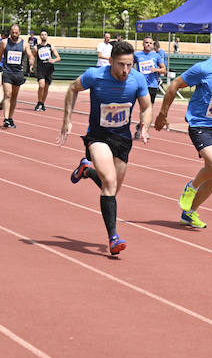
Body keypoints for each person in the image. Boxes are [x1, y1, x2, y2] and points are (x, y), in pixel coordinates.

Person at [58, 40, 151, 255]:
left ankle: (86, 170)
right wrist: (67, 119)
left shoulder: (138, 80)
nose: (126, 70)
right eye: (121, 64)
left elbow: (146, 107)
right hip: (98, 137)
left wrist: (144, 125)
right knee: (108, 182)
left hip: (122, 139)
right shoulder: (95, 75)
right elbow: (73, 88)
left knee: (112, 190)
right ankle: (113, 237)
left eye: (130, 64)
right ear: (110, 61)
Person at [154, 29, 212, 229]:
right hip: (200, 125)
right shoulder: (203, 69)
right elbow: (173, 87)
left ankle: (189, 213)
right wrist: (163, 114)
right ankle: (192, 187)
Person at [0, 24, 34, 129]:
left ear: (20, 32)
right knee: (8, 94)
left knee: (14, 97)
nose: (14, 34)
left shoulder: (24, 44)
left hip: (18, 74)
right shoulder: (4, 42)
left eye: (16, 33)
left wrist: (31, 62)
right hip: (7, 72)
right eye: (12, 32)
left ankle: (10, 117)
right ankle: (6, 118)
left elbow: (30, 55)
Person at [132, 37, 166, 139]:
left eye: (150, 43)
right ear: (143, 44)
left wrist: (155, 69)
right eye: (146, 42)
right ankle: (143, 128)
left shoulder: (156, 56)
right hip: (141, 85)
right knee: (143, 108)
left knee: (149, 108)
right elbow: (129, 66)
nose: (148, 44)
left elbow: (164, 70)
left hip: (152, 85)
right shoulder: (137, 55)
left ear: (153, 45)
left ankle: (142, 126)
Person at [33, 31, 61, 111]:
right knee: (41, 85)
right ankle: (39, 102)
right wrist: (31, 65)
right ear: (40, 37)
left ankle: (42, 103)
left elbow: (58, 57)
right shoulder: (36, 47)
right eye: (42, 35)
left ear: (47, 36)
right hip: (40, 68)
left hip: (49, 69)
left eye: (45, 35)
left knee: (46, 87)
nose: (44, 36)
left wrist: (54, 60)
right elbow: (32, 57)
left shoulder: (50, 46)